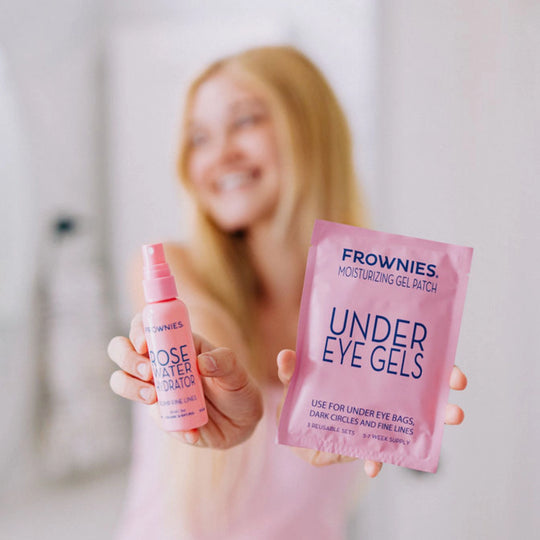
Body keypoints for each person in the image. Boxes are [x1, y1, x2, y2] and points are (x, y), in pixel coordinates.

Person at [107, 45, 468, 539]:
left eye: (244, 121)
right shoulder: (174, 272)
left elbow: (409, 456)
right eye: (199, 137)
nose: (218, 155)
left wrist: (404, 416)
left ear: (310, 131)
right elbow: (207, 353)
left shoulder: (371, 304)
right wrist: (238, 405)